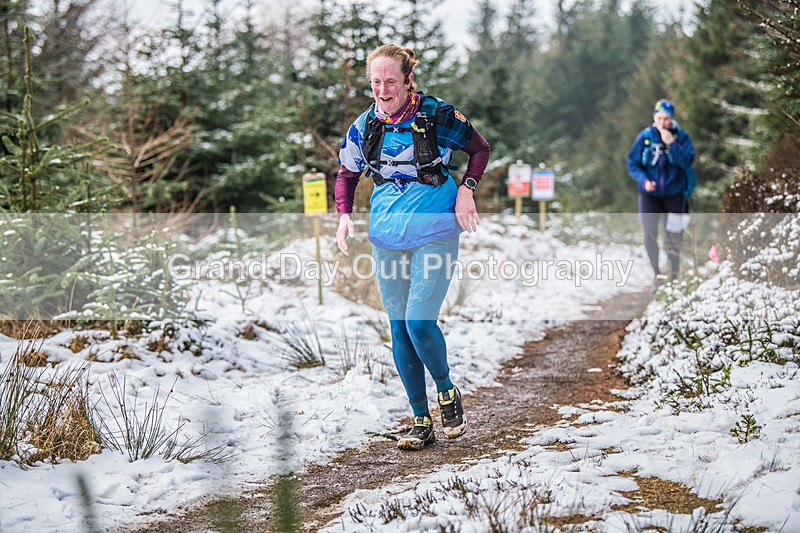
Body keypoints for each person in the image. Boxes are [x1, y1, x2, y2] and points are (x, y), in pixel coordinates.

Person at [335, 44, 491, 451]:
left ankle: (447, 392)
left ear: (408, 81)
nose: (383, 90)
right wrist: (344, 214)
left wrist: (467, 190)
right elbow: (347, 173)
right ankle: (420, 419)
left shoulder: (437, 114)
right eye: (375, 83)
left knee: (420, 321)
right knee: (399, 327)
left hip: (436, 227)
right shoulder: (365, 126)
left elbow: (479, 148)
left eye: (390, 81)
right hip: (387, 234)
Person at [626, 99, 696, 287]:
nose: (662, 123)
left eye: (666, 119)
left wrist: (671, 144)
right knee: (649, 234)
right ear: (654, 117)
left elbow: (687, 162)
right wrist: (644, 181)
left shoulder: (682, 137)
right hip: (650, 195)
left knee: (673, 236)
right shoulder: (646, 137)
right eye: (659, 118)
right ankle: (657, 273)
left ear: (672, 119)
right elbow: (632, 162)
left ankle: (674, 276)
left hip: (675, 194)